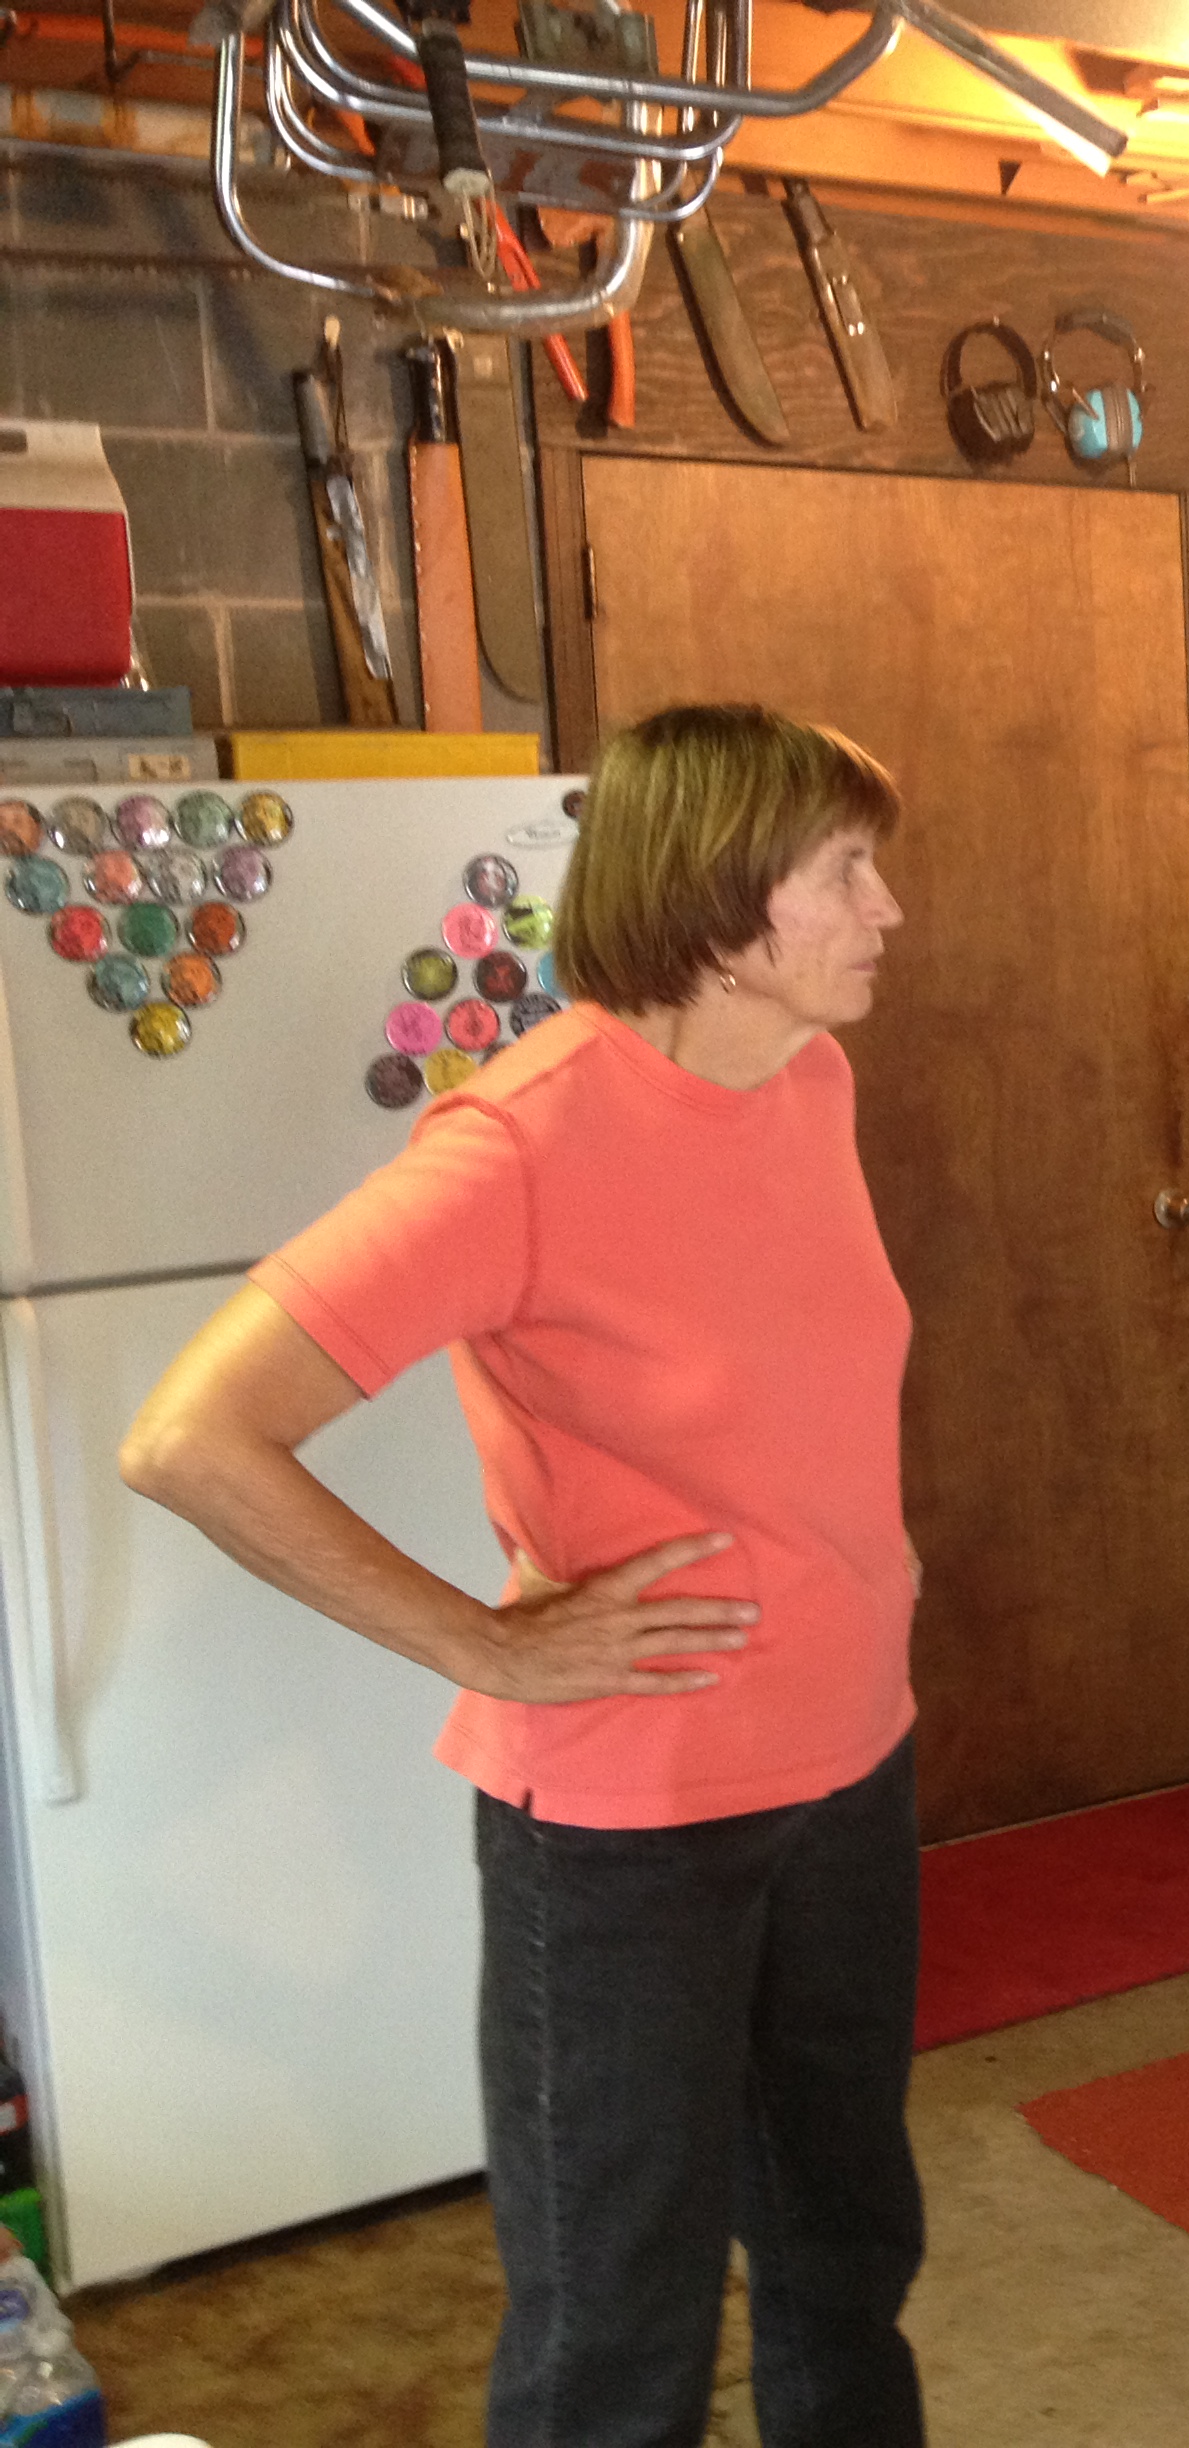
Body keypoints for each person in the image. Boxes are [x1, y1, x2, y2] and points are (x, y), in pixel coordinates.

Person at [118, 704, 923, 2448]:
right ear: (722, 900)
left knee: (848, 2258)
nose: (887, 909)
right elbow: (192, 1437)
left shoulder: (811, 1080)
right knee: (618, 2330)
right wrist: (488, 1647)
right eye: (846, 871)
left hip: (851, 1769)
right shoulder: (521, 1142)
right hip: (634, 1833)